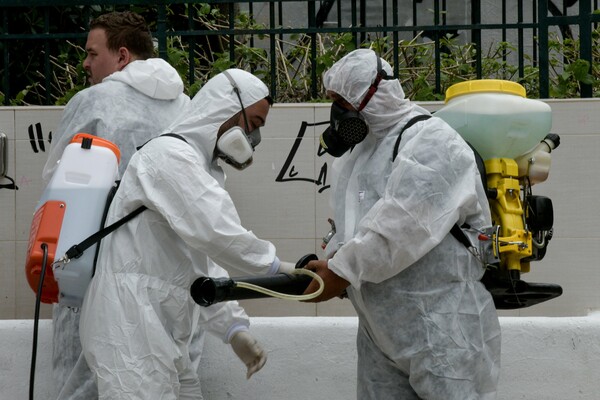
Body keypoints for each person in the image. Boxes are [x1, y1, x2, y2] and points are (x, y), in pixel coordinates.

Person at [44, 11, 263, 400]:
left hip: (97, 287)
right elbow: (197, 233)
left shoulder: (92, 102)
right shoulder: (189, 110)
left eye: (92, 53)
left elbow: (57, 196)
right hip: (175, 302)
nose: (85, 64)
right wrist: (231, 324)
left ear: (122, 56)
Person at [78, 68, 296, 399]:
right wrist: (276, 267)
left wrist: (233, 328)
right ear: (226, 106)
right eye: (252, 123)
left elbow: (201, 263)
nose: (253, 138)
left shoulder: (199, 167)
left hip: (158, 329)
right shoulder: (168, 155)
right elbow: (216, 232)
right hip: (129, 326)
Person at [302, 49, 501, 399]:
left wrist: (342, 271)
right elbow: (355, 229)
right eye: (332, 100)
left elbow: (403, 223)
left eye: (343, 102)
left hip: (441, 329)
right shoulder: (359, 154)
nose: (337, 112)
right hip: (380, 331)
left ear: (374, 94)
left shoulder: (432, 140)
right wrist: (334, 262)